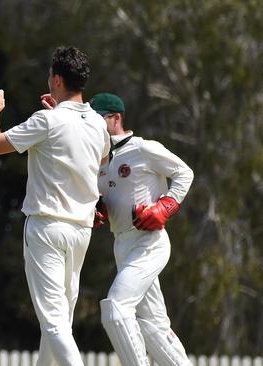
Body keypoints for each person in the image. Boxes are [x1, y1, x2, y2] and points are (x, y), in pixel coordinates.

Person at [0, 46, 110, 365]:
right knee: (60, 322)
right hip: (81, 231)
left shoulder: (47, 120)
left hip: (47, 228)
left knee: (54, 322)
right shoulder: (97, 123)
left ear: (56, 80)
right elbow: (101, 158)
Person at [91, 92, 194, 366]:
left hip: (149, 242)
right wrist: (97, 211)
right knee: (154, 326)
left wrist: (166, 206)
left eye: (98, 119)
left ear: (116, 118)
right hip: (121, 245)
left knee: (116, 309)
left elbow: (184, 173)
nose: (94, 126)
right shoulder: (99, 162)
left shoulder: (142, 148)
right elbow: (105, 201)